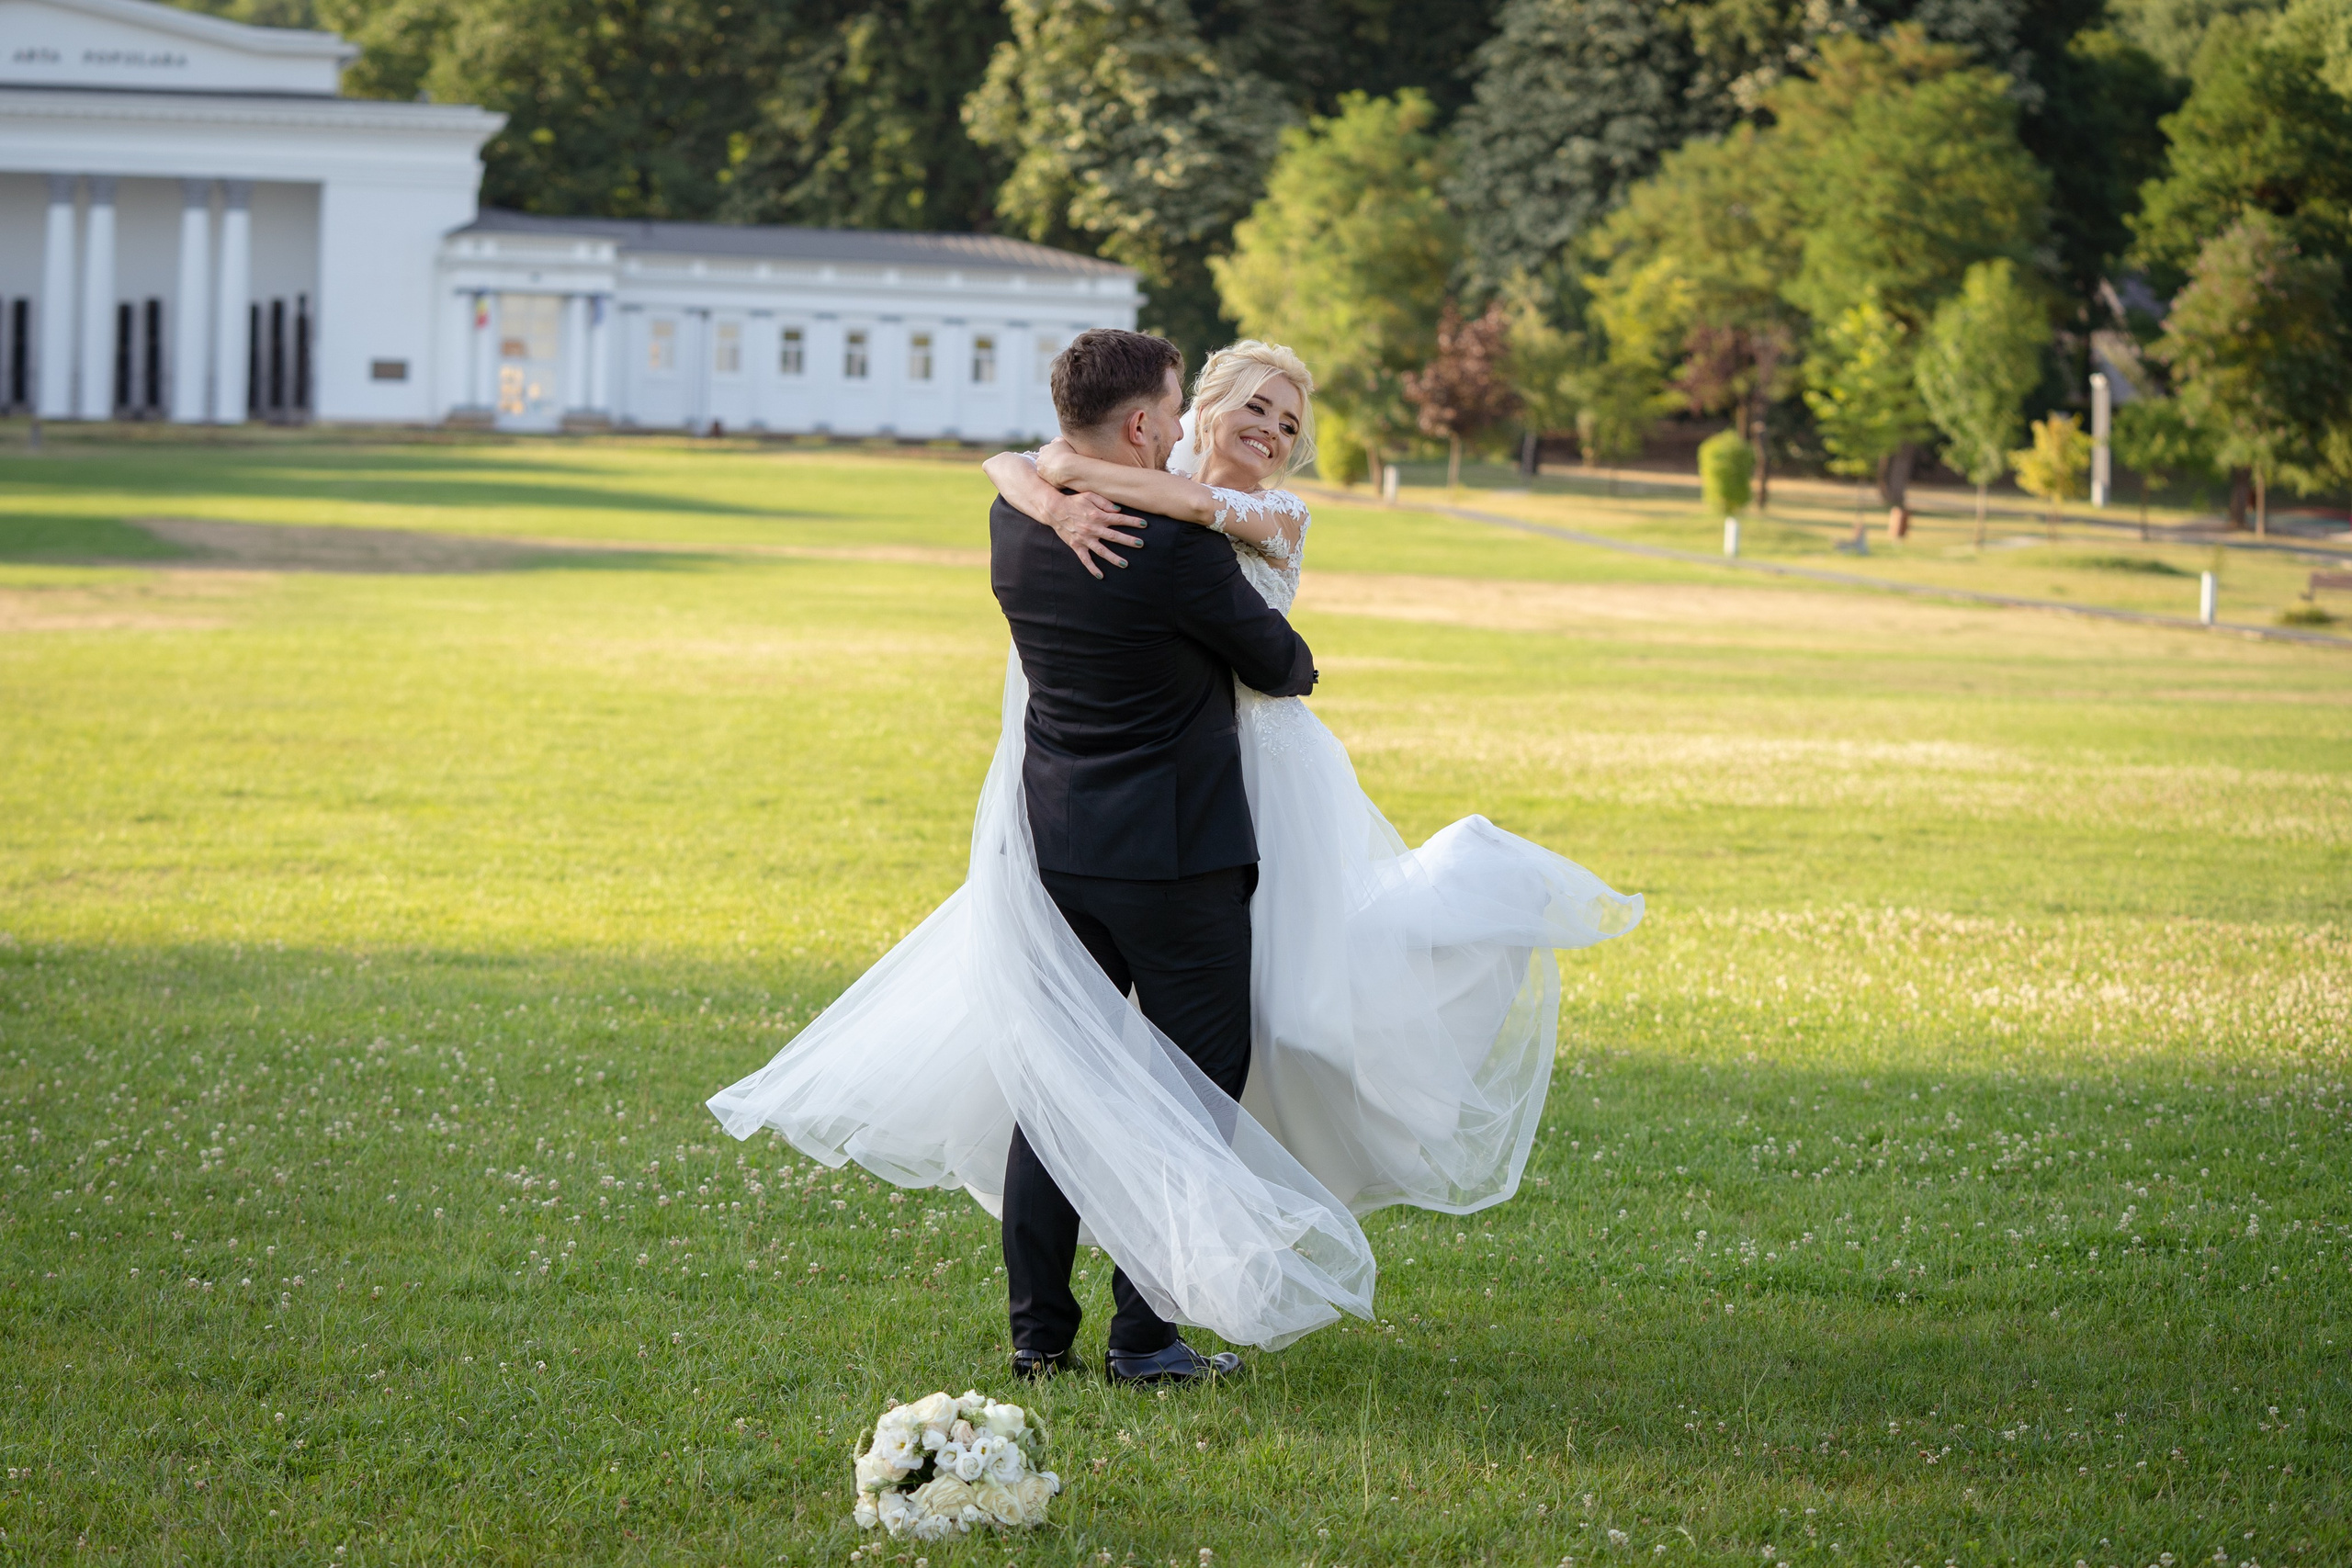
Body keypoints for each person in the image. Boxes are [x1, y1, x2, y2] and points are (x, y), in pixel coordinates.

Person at [708, 332, 1643, 1382]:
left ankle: (1039, 1341)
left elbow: (1037, 467)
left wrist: (1051, 486)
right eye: (1258, 407)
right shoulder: (1162, 541)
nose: (1273, 432)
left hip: (1068, 834)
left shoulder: (1035, 518)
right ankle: (1145, 1338)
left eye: (1290, 423)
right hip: (1187, 840)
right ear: (1176, 412)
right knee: (1197, 1092)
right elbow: (1282, 663)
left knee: (1060, 1086)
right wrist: (1067, 489)